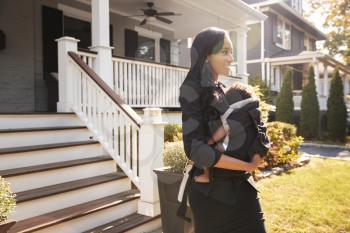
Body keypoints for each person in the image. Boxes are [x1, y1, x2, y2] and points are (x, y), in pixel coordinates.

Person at [177, 27, 267, 233]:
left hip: (240, 187)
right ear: (206, 55)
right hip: (213, 197)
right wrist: (247, 164)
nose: (231, 58)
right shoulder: (190, 89)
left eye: (231, 52)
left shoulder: (219, 88)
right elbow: (195, 149)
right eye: (224, 52)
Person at [193, 82, 271, 183]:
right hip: (251, 150)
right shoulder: (254, 113)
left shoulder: (235, 115)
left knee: (209, 151)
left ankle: (207, 175)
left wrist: (212, 140)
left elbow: (223, 129)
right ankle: (250, 166)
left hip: (234, 153)